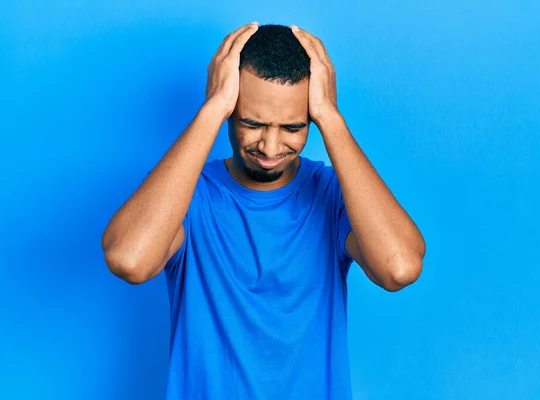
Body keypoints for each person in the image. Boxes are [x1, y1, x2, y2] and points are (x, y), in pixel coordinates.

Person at [102, 22, 426, 400]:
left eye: (293, 127)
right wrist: (212, 109)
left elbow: (398, 267)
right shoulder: (188, 194)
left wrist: (331, 118)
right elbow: (129, 259)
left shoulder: (333, 195)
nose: (270, 148)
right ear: (230, 110)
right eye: (251, 123)